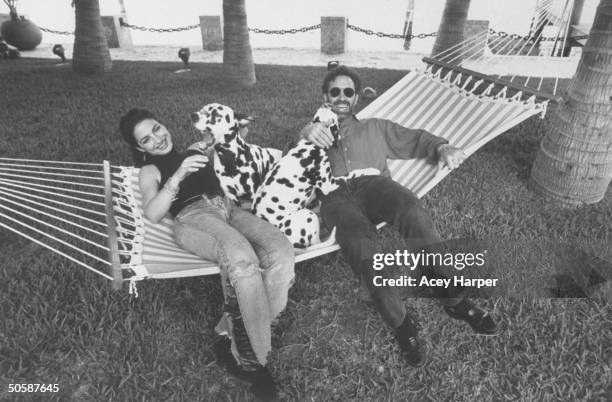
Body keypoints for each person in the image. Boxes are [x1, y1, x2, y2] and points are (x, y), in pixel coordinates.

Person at [299, 65, 497, 366]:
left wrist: (442, 146)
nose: (341, 97)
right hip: (335, 197)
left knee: (412, 210)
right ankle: (402, 324)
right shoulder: (313, 133)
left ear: (356, 99)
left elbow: (414, 139)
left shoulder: (375, 127)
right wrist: (305, 131)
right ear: (325, 96)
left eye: (348, 92)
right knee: (360, 246)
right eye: (334, 91)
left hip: (374, 185)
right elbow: (289, 163)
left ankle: (454, 301)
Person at [120, 108, 294, 399]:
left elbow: (230, 140)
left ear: (165, 125)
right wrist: (177, 175)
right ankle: (253, 363)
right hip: (193, 218)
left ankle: (231, 330)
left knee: (280, 252)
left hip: (229, 210)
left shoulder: (193, 149)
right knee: (241, 260)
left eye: (158, 128)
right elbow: (152, 212)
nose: (157, 139)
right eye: (147, 140)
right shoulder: (149, 171)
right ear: (140, 148)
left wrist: (228, 133)